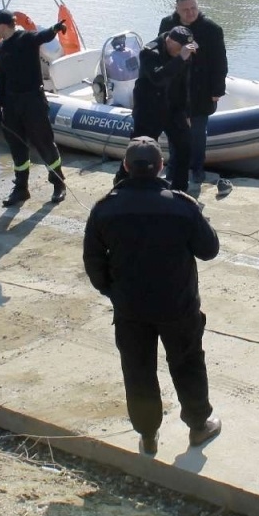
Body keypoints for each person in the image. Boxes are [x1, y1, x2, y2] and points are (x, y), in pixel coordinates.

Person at [83, 137, 222, 456]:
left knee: (138, 369)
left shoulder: (105, 208)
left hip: (131, 308)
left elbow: (93, 262)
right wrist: (202, 218)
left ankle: (148, 434)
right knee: (187, 364)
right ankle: (199, 426)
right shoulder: (182, 205)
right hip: (178, 306)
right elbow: (209, 250)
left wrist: (113, 291)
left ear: (127, 167)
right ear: (161, 166)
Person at [0, 9, 68, 206]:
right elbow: (1, 79)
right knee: (17, 146)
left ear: (3, 25)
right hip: (11, 104)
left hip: (33, 101)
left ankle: (58, 183)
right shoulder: (1, 49)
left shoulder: (26, 39)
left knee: (44, 142)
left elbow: (43, 36)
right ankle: (21, 189)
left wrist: (55, 29)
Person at [158, 0, 228, 186]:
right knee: (174, 131)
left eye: (193, 8)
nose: (190, 13)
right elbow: (160, 54)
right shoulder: (167, 25)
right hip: (175, 88)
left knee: (197, 133)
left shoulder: (211, 29)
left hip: (201, 89)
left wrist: (217, 91)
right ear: (177, 9)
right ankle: (173, 169)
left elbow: (220, 62)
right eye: (185, 10)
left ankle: (197, 170)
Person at [132, 26, 195, 192]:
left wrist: (187, 112)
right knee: (139, 150)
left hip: (173, 108)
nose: (184, 51)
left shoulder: (183, 54)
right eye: (180, 47)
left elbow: (185, 84)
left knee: (185, 147)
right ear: (170, 41)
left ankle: (180, 190)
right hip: (149, 109)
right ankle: (128, 185)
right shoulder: (150, 52)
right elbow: (158, 78)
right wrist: (180, 59)